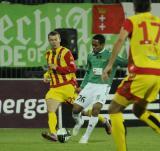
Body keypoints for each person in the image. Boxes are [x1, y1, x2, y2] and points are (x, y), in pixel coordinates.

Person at [102, 0, 160, 151]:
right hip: (157, 74)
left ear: (134, 7)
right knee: (138, 111)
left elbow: (120, 39)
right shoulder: (158, 22)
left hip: (140, 73)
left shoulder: (132, 21)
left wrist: (109, 65)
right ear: (150, 7)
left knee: (114, 109)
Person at [72, 34, 127, 143]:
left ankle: (85, 137)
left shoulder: (111, 56)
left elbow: (125, 62)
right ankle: (80, 122)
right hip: (89, 86)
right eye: (92, 45)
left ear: (102, 45)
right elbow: (88, 72)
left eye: (96, 45)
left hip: (103, 86)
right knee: (75, 110)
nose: (94, 47)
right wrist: (82, 86)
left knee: (96, 109)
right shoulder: (90, 55)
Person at [41, 31, 78, 141]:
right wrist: (46, 75)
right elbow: (50, 69)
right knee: (50, 109)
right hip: (54, 88)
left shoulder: (66, 52)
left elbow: (73, 68)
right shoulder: (47, 54)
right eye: (51, 40)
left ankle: (103, 120)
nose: (53, 42)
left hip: (67, 87)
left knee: (82, 110)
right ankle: (53, 133)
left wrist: (57, 68)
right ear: (49, 41)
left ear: (60, 39)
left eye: (55, 39)